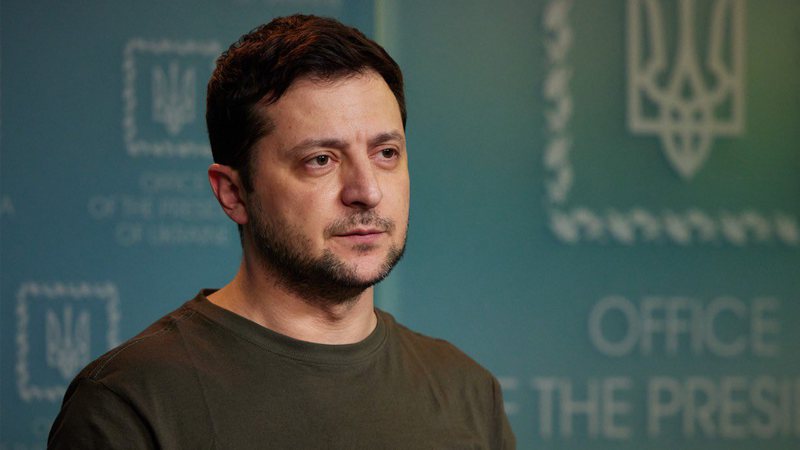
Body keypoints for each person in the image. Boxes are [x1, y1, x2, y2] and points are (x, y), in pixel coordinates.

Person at [49, 14, 515, 449]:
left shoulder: (469, 393)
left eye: (386, 154)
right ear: (233, 193)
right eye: (320, 160)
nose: (367, 191)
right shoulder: (128, 405)